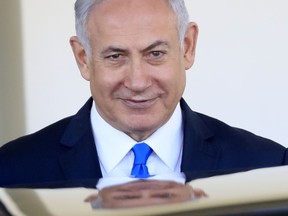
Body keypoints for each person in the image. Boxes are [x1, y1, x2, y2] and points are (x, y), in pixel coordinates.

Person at [0, 0, 287, 188]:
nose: (137, 81)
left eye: (155, 54)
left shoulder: (270, 169)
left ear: (187, 46)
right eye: (115, 56)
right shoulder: (11, 174)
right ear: (83, 58)